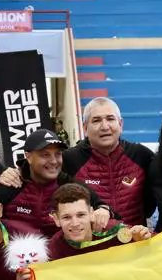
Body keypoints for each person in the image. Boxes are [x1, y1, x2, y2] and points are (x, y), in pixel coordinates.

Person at [0, 128, 111, 237]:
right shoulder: (12, 183)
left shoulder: (70, 185)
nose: (53, 161)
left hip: (62, 254)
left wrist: (104, 210)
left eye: (58, 154)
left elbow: (103, 207)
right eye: (45, 155)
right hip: (18, 254)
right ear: (28, 157)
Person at [63, 97, 156, 228]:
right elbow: (38, 170)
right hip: (92, 245)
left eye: (110, 119)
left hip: (135, 241)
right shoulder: (70, 159)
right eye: (96, 120)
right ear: (85, 128)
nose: (105, 126)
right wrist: (22, 168)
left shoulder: (141, 155)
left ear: (121, 124)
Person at [45, 183, 150, 263]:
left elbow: (156, 248)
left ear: (91, 213)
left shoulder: (114, 231)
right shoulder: (52, 250)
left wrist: (143, 241)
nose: (75, 223)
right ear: (56, 219)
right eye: (66, 217)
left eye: (81, 215)